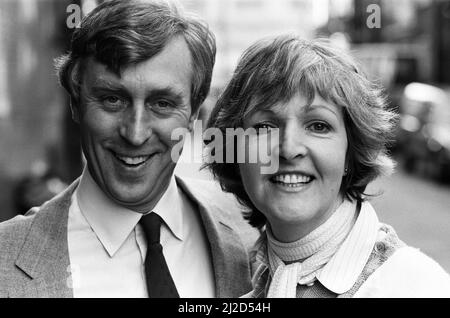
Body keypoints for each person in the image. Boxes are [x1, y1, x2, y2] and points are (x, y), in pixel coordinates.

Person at [0, 0, 258, 298]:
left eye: (162, 104)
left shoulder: (252, 238)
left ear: (194, 116)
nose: (135, 134)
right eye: (112, 99)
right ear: (75, 103)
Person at [205, 35, 450, 297]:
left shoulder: (416, 286)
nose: (289, 149)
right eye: (265, 127)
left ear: (350, 152)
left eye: (318, 126)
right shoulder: (241, 286)